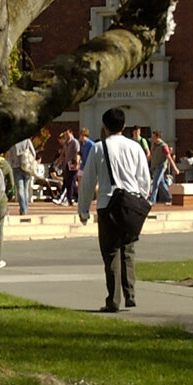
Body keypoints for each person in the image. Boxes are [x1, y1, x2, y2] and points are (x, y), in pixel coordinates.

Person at [76, 107, 153, 312]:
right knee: (128, 249)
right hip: (130, 204)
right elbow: (144, 179)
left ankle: (114, 299)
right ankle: (131, 293)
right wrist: (141, 199)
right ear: (124, 126)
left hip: (107, 204)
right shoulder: (135, 147)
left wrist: (83, 209)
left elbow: (88, 181)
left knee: (111, 253)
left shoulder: (100, 148)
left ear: (104, 126)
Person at [8, 134, 40, 217]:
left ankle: (23, 209)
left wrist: (10, 168)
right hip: (27, 167)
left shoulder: (13, 142)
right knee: (26, 189)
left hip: (16, 167)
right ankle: (25, 208)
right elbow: (33, 153)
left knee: (20, 189)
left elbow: (10, 158)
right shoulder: (27, 140)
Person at [56, 128, 82, 204]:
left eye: (67, 134)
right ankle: (76, 197)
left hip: (73, 163)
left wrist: (77, 163)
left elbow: (78, 153)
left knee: (70, 181)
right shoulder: (66, 143)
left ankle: (69, 198)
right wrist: (58, 162)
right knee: (69, 181)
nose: (66, 136)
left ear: (71, 133)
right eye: (65, 135)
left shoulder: (75, 142)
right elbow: (63, 154)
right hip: (67, 164)